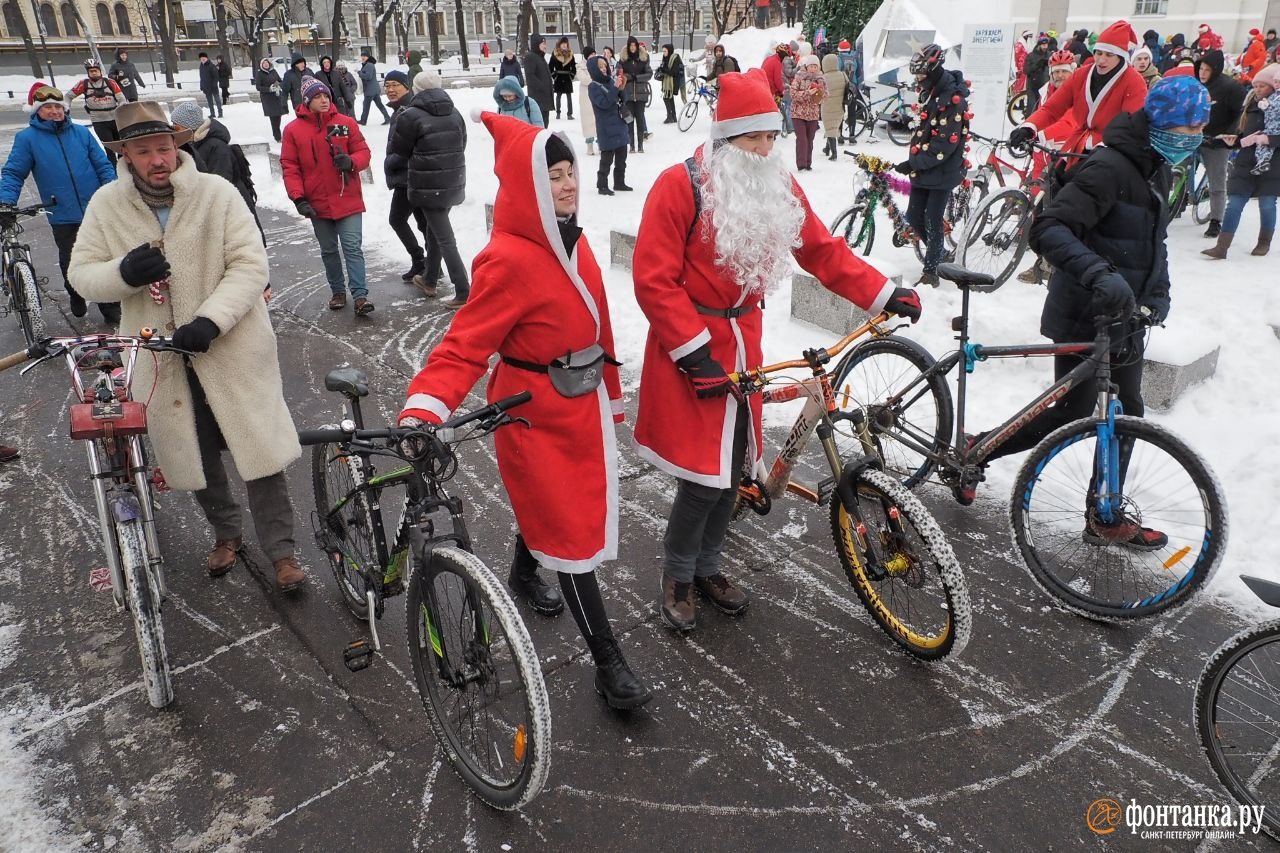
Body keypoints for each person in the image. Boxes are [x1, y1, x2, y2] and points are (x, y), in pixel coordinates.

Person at [633, 70, 919, 631]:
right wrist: (695, 355)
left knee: (735, 469)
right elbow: (653, 281)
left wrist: (883, 291)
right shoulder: (678, 185)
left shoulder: (778, 185)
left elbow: (822, 250)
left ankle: (709, 566)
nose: (766, 149)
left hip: (747, 350)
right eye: (753, 138)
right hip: (693, 351)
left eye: (771, 136)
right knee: (702, 479)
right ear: (725, 141)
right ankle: (677, 575)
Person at [398, 115, 652, 711]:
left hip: (579, 401)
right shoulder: (505, 259)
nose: (566, 185)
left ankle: (521, 569)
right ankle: (608, 659)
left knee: (552, 509)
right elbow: (464, 344)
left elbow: (600, 325)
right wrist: (425, 407)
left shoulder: (576, 237)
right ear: (526, 187)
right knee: (567, 528)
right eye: (552, 176)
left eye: (570, 173)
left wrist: (610, 394)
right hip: (531, 413)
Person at [68, 101, 305, 590]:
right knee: (194, 450)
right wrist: (123, 275)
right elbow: (81, 274)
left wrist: (211, 320)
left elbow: (249, 264)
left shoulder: (216, 194)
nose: (158, 159)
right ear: (126, 156)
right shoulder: (106, 205)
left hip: (231, 345)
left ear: (177, 146)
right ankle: (226, 534)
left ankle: (282, 553)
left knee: (259, 450)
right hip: (160, 357)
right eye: (144, 150)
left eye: (164, 147)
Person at [968, 77, 1209, 536]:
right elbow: (1048, 229)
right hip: (1086, 311)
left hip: (1126, 316)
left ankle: (1105, 514)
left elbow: (1151, 241)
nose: (1192, 140)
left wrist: (1158, 292)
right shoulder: (1110, 167)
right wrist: (1100, 274)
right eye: (1185, 131)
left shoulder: (1154, 165)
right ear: (1159, 122)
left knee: (1128, 414)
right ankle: (979, 449)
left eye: (1199, 130)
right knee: (1070, 413)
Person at [0, 82, 118, 323]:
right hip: (61, 213)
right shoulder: (27, 139)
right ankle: (76, 292)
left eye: (58, 106)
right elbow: (13, 173)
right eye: (48, 107)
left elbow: (103, 165)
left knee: (105, 257)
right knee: (71, 259)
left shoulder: (82, 133)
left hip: (95, 208)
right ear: (36, 111)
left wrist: (112, 189)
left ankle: (110, 305)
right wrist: (6, 201)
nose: (55, 111)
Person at [281, 77, 374, 315]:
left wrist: (351, 161)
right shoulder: (293, 130)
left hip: (347, 197)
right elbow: (290, 166)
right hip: (317, 202)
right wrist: (298, 198)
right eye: (317, 97)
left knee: (352, 247)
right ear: (307, 101)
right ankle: (337, 291)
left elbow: (363, 151)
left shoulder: (345, 123)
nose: (323, 100)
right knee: (329, 250)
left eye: (326, 96)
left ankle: (361, 296)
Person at [1011, 21, 1148, 159]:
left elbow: (1132, 126)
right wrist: (1029, 127)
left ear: (1120, 57)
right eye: (1098, 53)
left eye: (1109, 55)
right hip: (1078, 146)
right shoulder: (1081, 75)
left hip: (1113, 151)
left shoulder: (1134, 81)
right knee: (1054, 178)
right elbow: (1052, 108)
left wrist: (1106, 146)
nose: (1101, 60)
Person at [390, 70, 469, 308]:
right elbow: (462, 142)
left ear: (417, 89)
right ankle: (429, 279)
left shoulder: (410, 116)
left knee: (445, 239)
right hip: (452, 181)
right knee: (436, 232)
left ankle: (464, 290)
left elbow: (400, 152)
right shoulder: (454, 113)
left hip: (427, 185)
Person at [894, 45, 969, 287]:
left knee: (932, 218)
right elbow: (927, 124)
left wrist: (912, 163)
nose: (918, 80)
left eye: (921, 75)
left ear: (935, 69)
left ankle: (932, 270)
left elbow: (943, 145)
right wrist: (909, 121)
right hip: (924, 168)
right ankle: (937, 253)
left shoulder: (952, 100)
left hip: (943, 170)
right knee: (914, 216)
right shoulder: (929, 92)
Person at [1202, 64, 1279, 259]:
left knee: (1267, 204)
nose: (1257, 89)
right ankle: (1222, 247)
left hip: (1271, 165)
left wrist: (1267, 139)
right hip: (1246, 163)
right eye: (1255, 85)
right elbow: (1243, 134)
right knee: (1234, 204)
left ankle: (1264, 242)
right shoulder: (1250, 106)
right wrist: (1233, 141)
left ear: (1273, 86)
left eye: (1262, 85)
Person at [381, 69, 430, 285]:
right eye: (387, 86)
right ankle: (429, 264)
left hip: (409, 175)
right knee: (423, 223)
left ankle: (423, 261)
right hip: (409, 174)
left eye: (395, 85)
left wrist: (392, 162)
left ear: (406, 87)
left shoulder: (407, 109)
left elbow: (409, 145)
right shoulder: (399, 108)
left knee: (398, 219)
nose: (390, 90)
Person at [1195, 49, 1247, 238]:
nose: (1202, 73)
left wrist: (1230, 133)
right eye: (1200, 68)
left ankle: (1216, 220)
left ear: (1215, 70)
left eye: (1207, 70)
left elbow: (1239, 113)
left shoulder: (1230, 88)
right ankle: (1178, 200)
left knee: (1217, 181)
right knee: (1179, 167)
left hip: (1217, 140)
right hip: (1193, 135)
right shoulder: (1195, 84)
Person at [587, 55, 630, 195]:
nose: (604, 68)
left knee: (622, 157)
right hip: (606, 127)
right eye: (600, 67)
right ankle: (602, 185)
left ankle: (619, 182)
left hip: (619, 123)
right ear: (594, 69)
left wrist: (621, 88)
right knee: (606, 159)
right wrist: (615, 88)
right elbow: (604, 104)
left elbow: (621, 99)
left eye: (604, 65)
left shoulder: (610, 81)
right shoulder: (593, 86)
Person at [68, 59, 124, 163]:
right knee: (110, 149)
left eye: (96, 70)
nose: (94, 72)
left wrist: (120, 110)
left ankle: (124, 169)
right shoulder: (83, 84)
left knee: (121, 147)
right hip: (99, 122)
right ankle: (114, 172)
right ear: (88, 72)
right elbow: (68, 96)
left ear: (100, 71)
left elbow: (121, 99)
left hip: (115, 119)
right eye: (91, 71)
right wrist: (65, 108)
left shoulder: (110, 82)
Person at [789, 54, 825, 171]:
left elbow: (825, 96)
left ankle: (808, 164)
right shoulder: (799, 77)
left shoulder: (821, 79)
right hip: (798, 114)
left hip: (813, 114)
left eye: (816, 66)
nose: (813, 68)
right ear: (807, 66)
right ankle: (801, 165)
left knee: (810, 139)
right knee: (802, 139)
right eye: (811, 66)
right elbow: (793, 95)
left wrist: (820, 93)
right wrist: (808, 93)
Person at [620, 37, 653, 153]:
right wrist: (628, 77)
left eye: (634, 45)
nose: (633, 47)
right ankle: (631, 145)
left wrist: (637, 77)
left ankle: (640, 145)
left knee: (639, 119)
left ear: (637, 46)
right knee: (629, 120)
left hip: (641, 94)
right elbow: (620, 74)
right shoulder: (623, 59)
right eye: (631, 45)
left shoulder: (643, 58)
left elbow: (649, 73)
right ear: (628, 46)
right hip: (628, 94)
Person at [523, 34, 553, 128]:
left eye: (545, 43)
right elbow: (530, 76)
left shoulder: (540, 56)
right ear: (536, 44)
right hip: (537, 99)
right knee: (539, 125)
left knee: (545, 124)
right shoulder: (530, 56)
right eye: (543, 43)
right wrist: (542, 87)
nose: (545, 46)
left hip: (544, 98)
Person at [820, 53, 846, 160]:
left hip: (827, 107)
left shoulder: (823, 78)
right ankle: (827, 148)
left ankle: (834, 154)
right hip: (840, 106)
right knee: (833, 127)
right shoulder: (842, 74)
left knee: (830, 128)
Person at [254, 58, 287, 141]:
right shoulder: (259, 74)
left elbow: (280, 81)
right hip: (268, 100)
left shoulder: (274, 71)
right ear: (261, 65)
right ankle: (278, 137)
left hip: (277, 97)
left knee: (278, 116)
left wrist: (279, 85)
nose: (266, 64)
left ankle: (276, 133)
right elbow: (258, 87)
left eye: (267, 63)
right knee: (273, 118)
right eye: (264, 63)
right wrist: (268, 89)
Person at [357, 49, 391, 125]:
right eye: (362, 56)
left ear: (368, 57)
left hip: (370, 90)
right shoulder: (368, 64)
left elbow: (368, 76)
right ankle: (387, 117)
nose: (363, 57)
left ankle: (363, 121)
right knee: (379, 105)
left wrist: (359, 72)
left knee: (366, 105)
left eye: (365, 56)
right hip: (374, 89)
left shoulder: (369, 65)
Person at [656, 44, 684, 125]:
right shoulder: (665, 57)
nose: (664, 53)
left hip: (673, 82)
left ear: (669, 50)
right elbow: (663, 67)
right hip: (667, 82)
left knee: (667, 97)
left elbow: (674, 72)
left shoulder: (675, 58)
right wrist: (660, 69)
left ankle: (670, 116)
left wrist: (663, 70)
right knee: (669, 98)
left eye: (665, 51)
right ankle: (673, 116)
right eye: (663, 51)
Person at [549, 37, 576, 119]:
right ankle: (558, 113)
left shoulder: (570, 54)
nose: (564, 45)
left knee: (569, 96)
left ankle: (570, 114)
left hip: (567, 77)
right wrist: (554, 75)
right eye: (563, 44)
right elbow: (550, 66)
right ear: (559, 45)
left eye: (566, 44)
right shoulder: (555, 54)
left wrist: (571, 75)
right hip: (559, 77)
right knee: (558, 95)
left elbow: (573, 67)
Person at [1022, 36, 1051, 113]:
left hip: (1045, 84)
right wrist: (1037, 65)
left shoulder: (1049, 55)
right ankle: (1028, 122)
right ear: (1039, 45)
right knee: (1032, 106)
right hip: (1033, 85)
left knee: (1043, 107)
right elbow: (1026, 70)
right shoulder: (1031, 56)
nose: (1045, 47)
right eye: (1043, 45)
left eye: (1046, 45)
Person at [578, 48, 598, 152]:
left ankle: (600, 143)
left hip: (598, 95)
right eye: (591, 54)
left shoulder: (599, 64)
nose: (593, 56)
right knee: (588, 121)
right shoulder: (581, 66)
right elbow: (583, 78)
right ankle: (589, 145)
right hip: (586, 96)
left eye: (594, 54)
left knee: (599, 120)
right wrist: (595, 82)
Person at [198, 53, 222, 118]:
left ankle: (220, 113)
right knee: (210, 102)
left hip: (213, 87)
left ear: (207, 58)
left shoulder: (211, 65)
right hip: (206, 87)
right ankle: (212, 114)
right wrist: (201, 85)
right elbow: (201, 77)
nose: (202, 59)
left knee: (217, 100)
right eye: (201, 58)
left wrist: (214, 84)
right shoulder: (201, 66)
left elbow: (216, 76)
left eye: (204, 58)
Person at [1014, 30, 1033, 94]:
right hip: (1020, 66)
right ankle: (1016, 94)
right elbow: (1016, 55)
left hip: (1025, 65)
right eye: (1029, 36)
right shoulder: (1020, 44)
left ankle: (1019, 93)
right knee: (1019, 81)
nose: (1030, 38)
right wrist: (1017, 66)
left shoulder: (1026, 43)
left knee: (1023, 81)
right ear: (1026, 36)